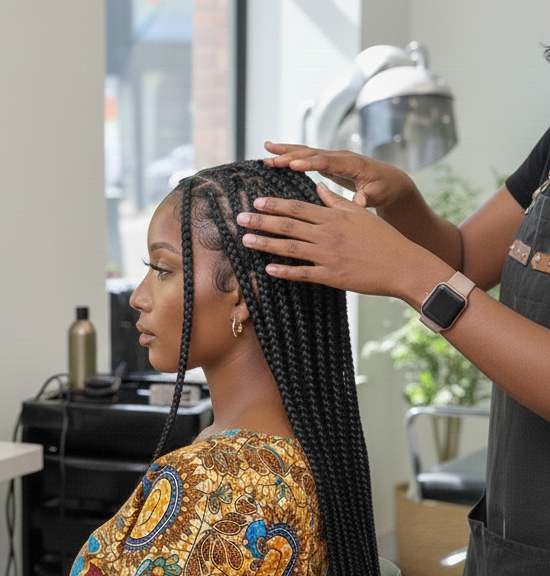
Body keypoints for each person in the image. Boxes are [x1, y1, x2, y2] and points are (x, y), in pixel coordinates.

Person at [234, 4, 550, 573]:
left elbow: (438, 275)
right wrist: (400, 199)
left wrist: (413, 277)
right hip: (518, 543)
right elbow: (464, 258)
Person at [70, 161, 381, 576]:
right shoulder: (315, 453)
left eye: (162, 270)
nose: (138, 298)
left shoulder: (211, 482)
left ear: (241, 295)